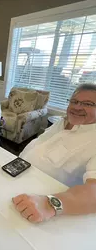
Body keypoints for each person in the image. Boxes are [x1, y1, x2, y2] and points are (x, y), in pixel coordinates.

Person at [13, 83, 96, 223]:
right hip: (16, 175)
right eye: (74, 101)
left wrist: (49, 204)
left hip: (40, 202)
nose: (77, 107)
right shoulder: (61, 122)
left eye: (88, 103)